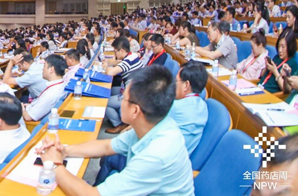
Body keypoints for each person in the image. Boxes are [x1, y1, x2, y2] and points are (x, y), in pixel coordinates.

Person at [37, 65, 194, 196]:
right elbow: (107, 146)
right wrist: (64, 150)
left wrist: (55, 165)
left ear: (135, 110)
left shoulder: (156, 155)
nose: (120, 100)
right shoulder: (155, 124)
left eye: (123, 98)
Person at [104, 36, 145, 134]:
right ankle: (119, 115)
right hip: (136, 90)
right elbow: (118, 62)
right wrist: (109, 62)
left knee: (104, 102)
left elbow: (110, 73)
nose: (115, 54)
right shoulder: (133, 56)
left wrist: (105, 66)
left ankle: (118, 124)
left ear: (122, 51)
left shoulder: (127, 61)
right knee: (110, 91)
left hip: (132, 95)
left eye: (115, 52)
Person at [22, 55, 67, 121]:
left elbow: (28, 117)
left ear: (51, 69)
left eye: (44, 66)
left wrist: (22, 108)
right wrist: (30, 106)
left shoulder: (51, 94)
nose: (42, 69)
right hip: (32, 108)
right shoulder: (60, 84)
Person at [259, 29, 298, 94]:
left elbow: (286, 90)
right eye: (279, 46)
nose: (280, 50)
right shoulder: (276, 57)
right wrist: (266, 67)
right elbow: (262, 76)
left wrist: (275, 71)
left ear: (290, 47)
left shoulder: (293, 64)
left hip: (270, 94)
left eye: (283, 47)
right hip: (259, 87)